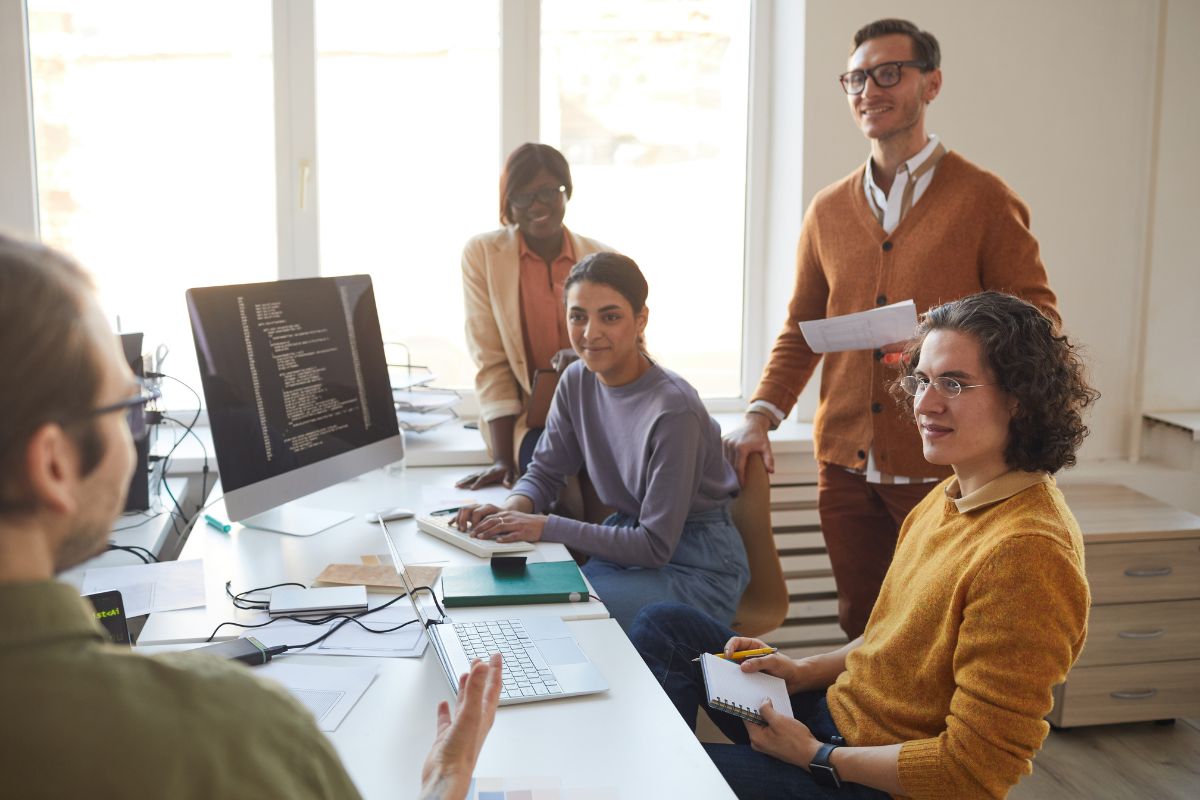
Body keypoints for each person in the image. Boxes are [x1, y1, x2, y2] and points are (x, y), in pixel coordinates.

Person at [0, 234, 501, 800]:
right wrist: (446, 782)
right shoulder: (230, 733)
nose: (136, 428)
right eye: (130, 405)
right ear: (53, 465)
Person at [632, 292, 1098, 799]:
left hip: (872, 779)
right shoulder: (950, 495)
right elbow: (889, 637)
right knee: (663, 625)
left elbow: (974, 770)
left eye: (955, 384)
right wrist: (799, 672)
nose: (925, 403)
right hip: (837, 722)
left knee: (666, 775)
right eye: (922, 379)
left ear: (1020, 398)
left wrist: (813, 756)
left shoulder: (1028, 555)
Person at [724, 18, 1061, 640]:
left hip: (946, 461)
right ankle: (855, 739)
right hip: (847, 464)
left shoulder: (984, 199)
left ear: (931, 84)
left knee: (940, 634)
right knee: (863, 622)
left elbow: (1038, 323)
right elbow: (802, 329)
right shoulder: (827, 209)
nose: (868, 90)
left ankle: (946, 742)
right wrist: (760, 414)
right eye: (856, 77)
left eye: (888, 73)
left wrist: (950, 336)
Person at [454, 252, 749, 631]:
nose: (590, 333)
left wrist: (541, 525)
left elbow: (654, 545)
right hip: (629, 544)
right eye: (578, 316)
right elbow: (544, 471)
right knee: (522, 600)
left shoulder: (675, 410)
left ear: (641, 319)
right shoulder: (576, 381)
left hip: (697, 565)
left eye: (610, 317)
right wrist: (509, 514)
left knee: (567, 618)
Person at [458, 142, 612, 491]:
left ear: (566, 192)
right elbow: (491, 361)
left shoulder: (602, 256)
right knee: (549, 488)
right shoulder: (483, 255)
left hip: (600, 414)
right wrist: (501, 459)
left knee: (607, 484)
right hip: (531, 421)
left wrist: (588, 357)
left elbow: (633, 348)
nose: (537, 205)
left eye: (548, 192)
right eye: (523, 197)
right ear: (508, 203)